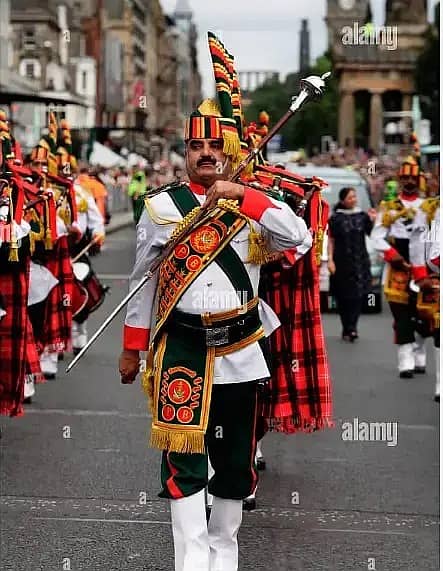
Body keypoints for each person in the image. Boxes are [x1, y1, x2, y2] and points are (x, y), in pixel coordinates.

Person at [118, 31, 312, 571]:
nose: (204, 154)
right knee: (182, 465)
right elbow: (142, 286)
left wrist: (243, 196)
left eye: (212, 146)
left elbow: (298, 236)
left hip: (240, 352)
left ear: (228, 150)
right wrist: (133, 349)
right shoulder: (160, 210)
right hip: (180, 346)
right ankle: (191, 563)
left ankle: (224, 555)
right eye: (194, 147)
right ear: (185, 153)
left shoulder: (257, 205)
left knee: (232, 466)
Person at [371, 157, 434, 377]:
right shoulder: (388, 206)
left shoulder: (430, 206)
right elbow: (377, 236)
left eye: (413, 178)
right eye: (405, 177)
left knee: (425, 315)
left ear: (419, 180)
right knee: (402, 316)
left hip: (425, 266)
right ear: (400, 180)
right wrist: (393, 256)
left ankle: (420, 354)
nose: (409, 181)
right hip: (397, 266)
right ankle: (405, 361)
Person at [328, 187, 377, 341]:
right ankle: (346, 326)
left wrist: (373, 220)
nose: (353, 200)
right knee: (343, 296)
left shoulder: (362, 216)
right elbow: (331, 240)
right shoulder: (335, 218)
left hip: (359, 260)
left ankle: (353, 327)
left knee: (358, 295)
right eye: (350, 197)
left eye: (354, 197)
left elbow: (371, 233)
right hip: (341, 261)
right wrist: (330, 259)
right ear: (343, 200)